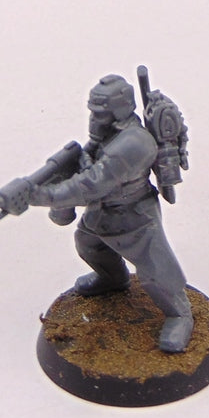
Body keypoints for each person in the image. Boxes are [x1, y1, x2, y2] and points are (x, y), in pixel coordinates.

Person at [19, 74, 194, 353]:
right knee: (88, 244)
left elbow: (89, 185)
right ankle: (113, 278)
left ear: (119, 110)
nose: (94, 118)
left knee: (156, 272)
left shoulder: (134, 143)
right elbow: (87, 166)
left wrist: (39, 195)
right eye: (93, 111)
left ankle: (179, 315)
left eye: (100, 112)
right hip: (104, 212)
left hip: (135, 215)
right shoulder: (107, 135)